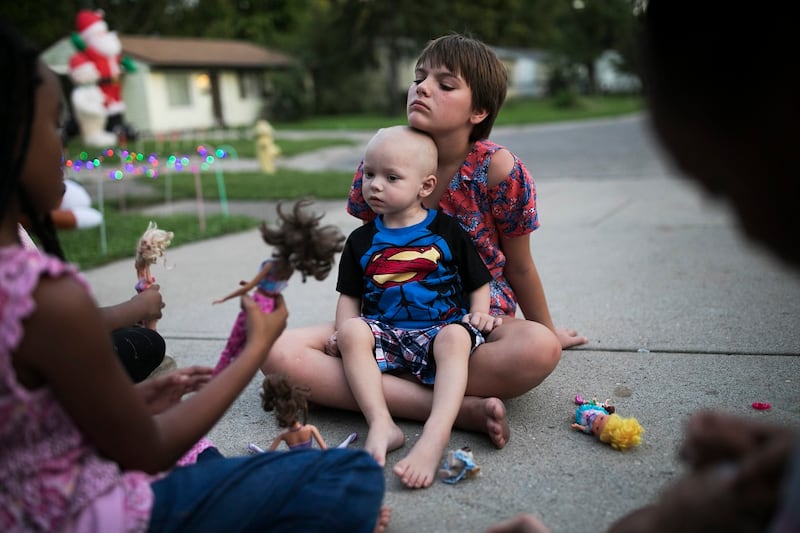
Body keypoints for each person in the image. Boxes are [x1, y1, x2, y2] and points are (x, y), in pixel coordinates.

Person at [0, 23, 387, 532]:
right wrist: (252, 354)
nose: (64, 145)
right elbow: (146, 447)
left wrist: (135, 401)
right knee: (352, 474)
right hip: (99, 516)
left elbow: (29, 426)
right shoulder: (41, 294)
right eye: (54, 125)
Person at [490, 1, 800, 531]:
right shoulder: (395, 159)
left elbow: (519, 265)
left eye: (724, 185)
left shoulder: (501, 170)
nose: (743, 227)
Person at [264, 33, 587, 450]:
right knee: (279, 356)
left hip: (468, 326)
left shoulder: (496, 169)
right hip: (383, 322)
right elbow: (365, 259)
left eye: (445, 84)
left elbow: (519, 264)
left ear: (479, 110)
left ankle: (380, 385)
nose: (422, 88)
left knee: (540, 349)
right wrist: (348, 334)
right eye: (419, 78)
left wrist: (546, 328)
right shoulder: (381, 162)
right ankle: (455, 409)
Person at [336, 126, 500, 488]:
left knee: (457, 338)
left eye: (391, 177)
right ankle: (381, 422)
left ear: (425, 186)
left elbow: (478, 280)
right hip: (387, 332)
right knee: (350, 331)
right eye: (369, 174)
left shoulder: (447, 231)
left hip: (439, 329)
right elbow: (349, 297)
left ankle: (435, 434)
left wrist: (480, 311)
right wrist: (343, 333)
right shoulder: (361, 240)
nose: (375, 185)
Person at [17, 221, 169, 382]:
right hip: (37, 360)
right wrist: (139, 307)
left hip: (42, 341)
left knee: (131, 332)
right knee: (146, 343)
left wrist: (128, 315)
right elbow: (56, 328)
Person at [211, 199, 345, 376]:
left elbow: (249, 286)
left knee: (236, 343)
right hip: (273, 307)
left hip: (259, 302)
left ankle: (219, 375)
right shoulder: (289, 269)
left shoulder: (271, 265)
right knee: (259, 344)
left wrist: (227, 297)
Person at [261, 373, 328, 450]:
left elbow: (269, 454)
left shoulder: (284, 435)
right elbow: (325, 450)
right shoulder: (310, 429)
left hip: (294, 461)